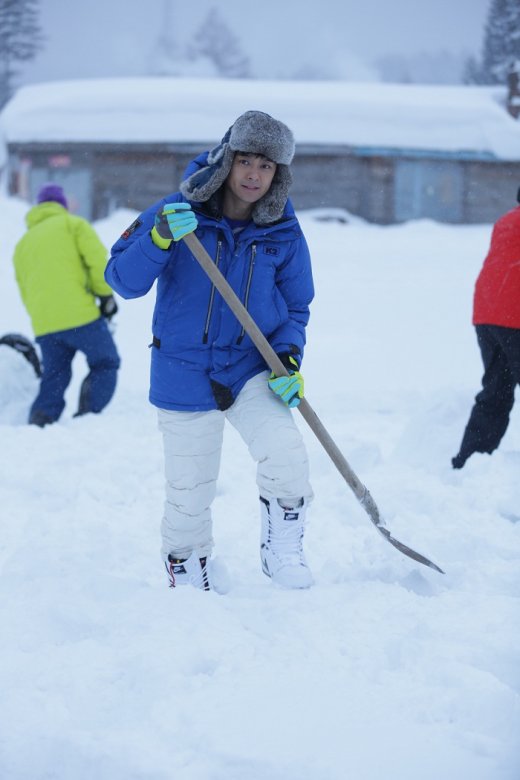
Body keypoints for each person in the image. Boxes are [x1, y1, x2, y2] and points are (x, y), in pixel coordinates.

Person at [106, 110, 315, 591]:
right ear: (227, 160)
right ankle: (187, 566)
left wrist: (288, 358)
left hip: (250, 366)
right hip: (183, 368)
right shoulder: (178, 211)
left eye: (266, 167)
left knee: (287, 456)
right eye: (246, 161)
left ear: (278, 175)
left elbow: (296, 307)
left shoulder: (283, 231)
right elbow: (121, 280)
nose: (254, 175)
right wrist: (159, 239)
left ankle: (281, 549)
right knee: (189, 490)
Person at [13, 183, 121, 427]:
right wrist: (105, 297)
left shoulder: (23, 244)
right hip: (80, 317)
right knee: (105, 362)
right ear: (61, 205)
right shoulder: (73, 225)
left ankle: (40, 420)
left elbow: (24, 288)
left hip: (45, 324)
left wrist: (41, 317)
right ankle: (87, 416)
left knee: (54, 376)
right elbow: (96, 261)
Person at [452, 188, 520, 469]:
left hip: (488, 314)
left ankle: (469, 463)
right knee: (497, 389)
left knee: (496, 390)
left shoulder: (506, 221)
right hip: (513, 317)